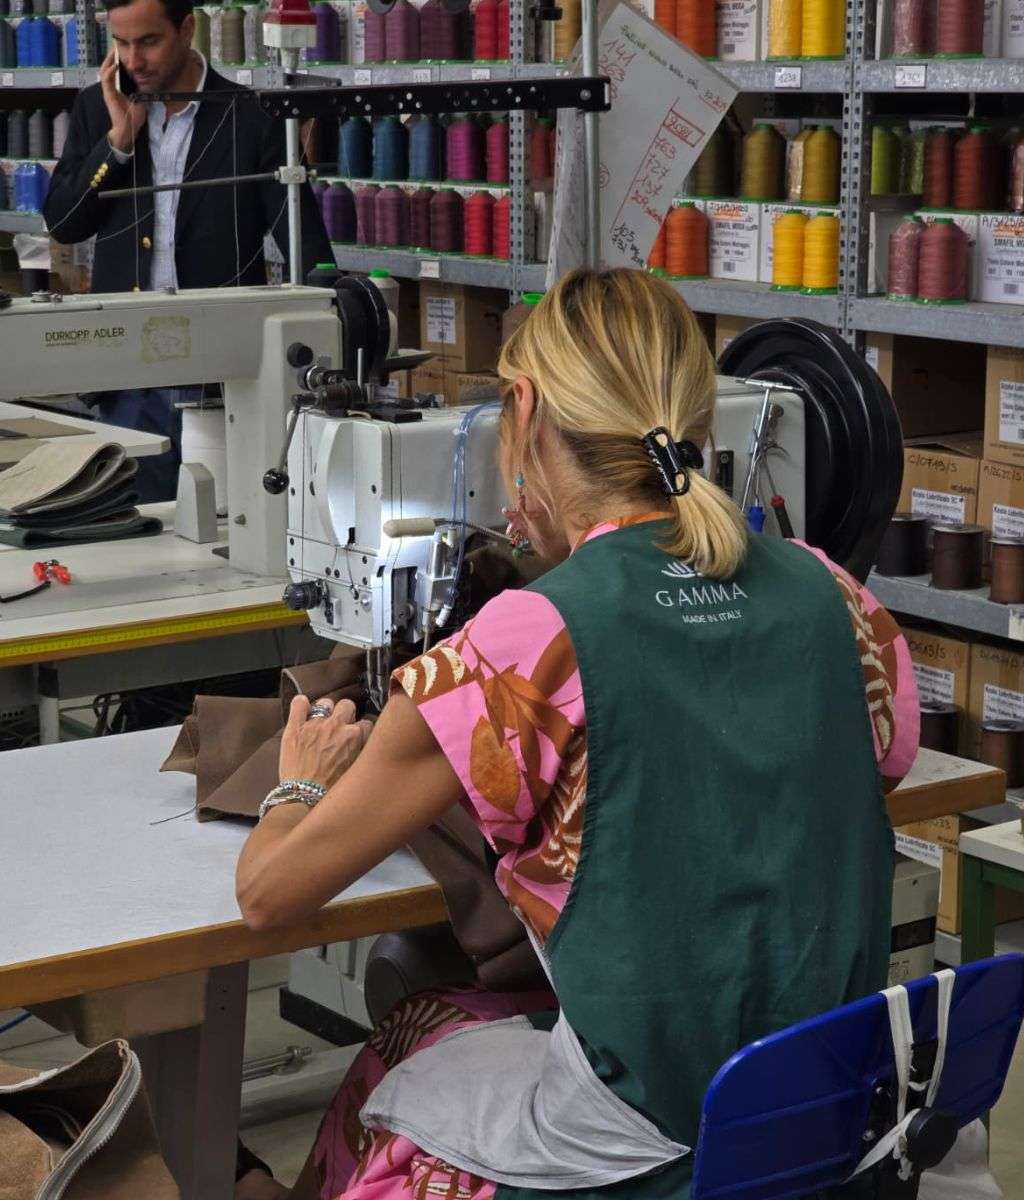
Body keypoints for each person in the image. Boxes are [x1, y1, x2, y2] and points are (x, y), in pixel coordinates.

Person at [233, 268, 920, 1200]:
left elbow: (270, 897)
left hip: (652, 1148)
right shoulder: (838, 599)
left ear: (522, 411)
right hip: (823, 1121)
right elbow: (820, 798)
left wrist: (300, 784)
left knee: (399, 1051)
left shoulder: (527, 642)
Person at [44, 0, 332, 502]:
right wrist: (118, 141)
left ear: (186, 29)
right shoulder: (97, 107)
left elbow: (303, 240)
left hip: (223, 371)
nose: (133, 60)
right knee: (136, 521)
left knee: (228, 518)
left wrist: (329, 322)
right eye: (121, 44)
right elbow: (65, 224)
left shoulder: (251, 114)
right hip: (129, 374)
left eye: (148, 41)